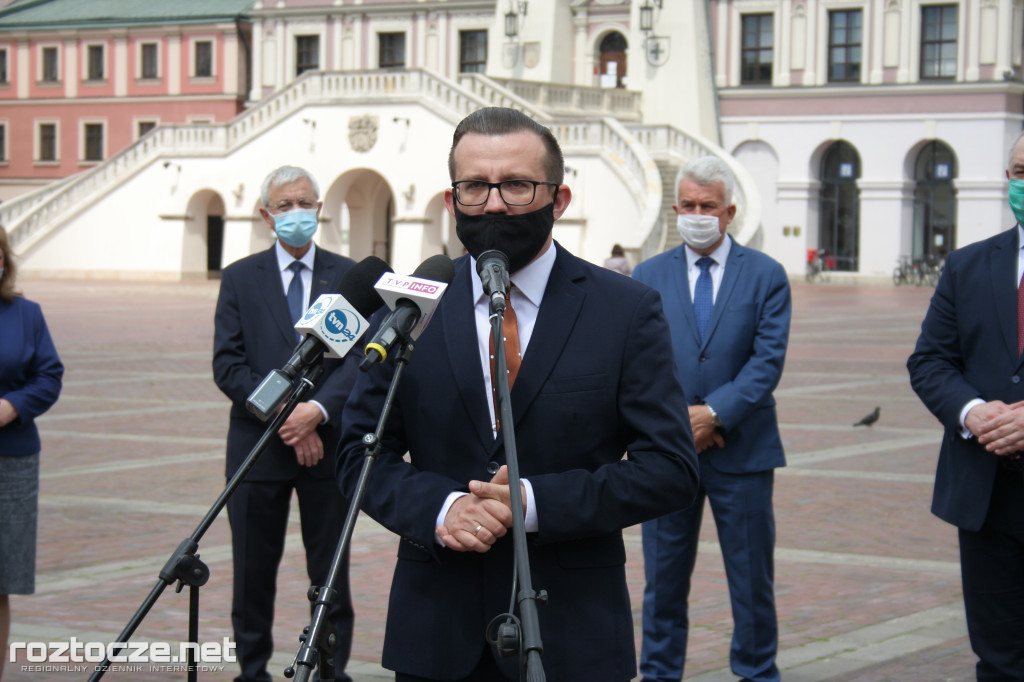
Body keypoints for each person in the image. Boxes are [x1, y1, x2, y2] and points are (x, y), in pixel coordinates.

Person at [336, 107, 700, 682]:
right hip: (437, 633)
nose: (495, 203)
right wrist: (440, 507)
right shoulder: (412, 309)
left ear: (558, 200)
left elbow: (671, 469)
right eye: (475, 186)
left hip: (572, 634)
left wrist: (533, 504)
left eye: (517, 185)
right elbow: (359, 452)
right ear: (452, 200)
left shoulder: (624, 311)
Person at [633, 157, 791, 682]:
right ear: (676, 208)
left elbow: (767, 361)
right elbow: (639, 362)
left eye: (709, 206)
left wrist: (714, 414)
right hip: (667, 456)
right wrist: (678, 424)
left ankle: (755, 670)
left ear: (730, 211)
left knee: (750, 579)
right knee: (663, 581)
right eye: (690, 206)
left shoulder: (765, 274)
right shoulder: (648, 275)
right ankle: (658, 673)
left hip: (742, 452)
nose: (698, 214)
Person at [213, 166, 357, 682]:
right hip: (258, 449)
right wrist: (286, 416)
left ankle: (329, 670)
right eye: (285, 203)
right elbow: (228, 365)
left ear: (319, 209)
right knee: (253, 573)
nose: (296, 211)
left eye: (305, 202)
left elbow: (362, 360)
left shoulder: (349, 276)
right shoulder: (239, 277)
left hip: (328, 446)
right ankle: (252, 671)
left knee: (330, 575)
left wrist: (316, 412)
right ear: (266, 214)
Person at [907, 130, 1024, 680]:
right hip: (988, 494)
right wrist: (971, 411)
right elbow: (929, 361)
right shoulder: (968, 265)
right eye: (1019, 171)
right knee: (998, 656)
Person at [0, 225, 64, 681]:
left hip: (11, 460)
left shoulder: (26, 314)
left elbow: (48, 375)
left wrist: (11, 407)